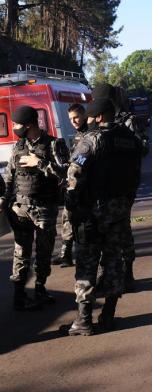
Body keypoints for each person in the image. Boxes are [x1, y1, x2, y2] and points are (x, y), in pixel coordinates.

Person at [65, 98, 142, 335]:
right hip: (119, 211)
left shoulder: (91, 140)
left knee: (87, 264)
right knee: (113, 262)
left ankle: (84, 320)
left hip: (93, 212)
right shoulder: (131, 141)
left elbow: (74, 176)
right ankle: (108, 315)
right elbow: (136, 176)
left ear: (98, 117)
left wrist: (72, 207)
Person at [0, 106, 69, 310]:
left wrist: (39, 162)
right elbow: (10, 176)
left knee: (44, 252)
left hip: (44, 208)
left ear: (29, 124)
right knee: (21, 251)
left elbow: (66, 172)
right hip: (20, 208)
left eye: (17, 124)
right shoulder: (19, 146)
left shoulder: (54, 144)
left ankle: (40, 289)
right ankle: (19, 295)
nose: (14, 127)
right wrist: (4, 198)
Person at [91, 83, 143, 293]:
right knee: (105, 235)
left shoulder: (127, 121)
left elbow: (141, 148)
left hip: (123, 186)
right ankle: (107, 275)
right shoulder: (95, 119)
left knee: (123, 231)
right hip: (101, 189)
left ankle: (127, 271)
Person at [52, 103, 88, 268]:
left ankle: (84, 257)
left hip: (85, 188)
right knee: (66, 218)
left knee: (82, 224)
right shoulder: (78, 135)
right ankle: (65, 254)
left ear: (84, 115)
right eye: (71, 119)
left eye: (76, 117)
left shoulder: (90, 135)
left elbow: (84, 163)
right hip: (72, 186)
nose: (73, 121)